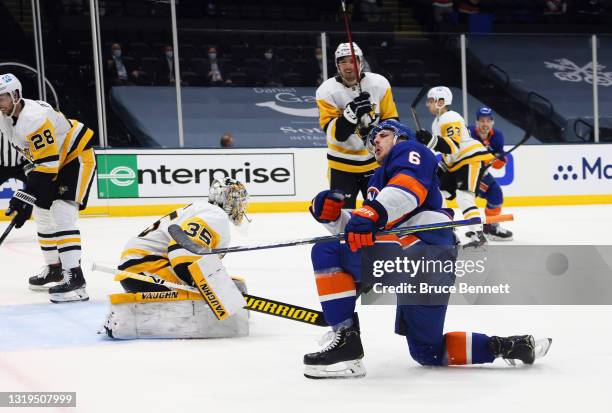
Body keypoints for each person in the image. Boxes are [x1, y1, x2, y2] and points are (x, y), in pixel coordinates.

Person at [304, 119, 551, 379]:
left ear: (401, 137)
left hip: (421, 248)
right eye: (371, 140)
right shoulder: (380, 179)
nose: (374, 141)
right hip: (429, 266)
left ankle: (346, 341)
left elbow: (405, 192)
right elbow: (367, 228)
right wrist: (333, 217)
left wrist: (367, 214)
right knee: (427, 351)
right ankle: (510, 346)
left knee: (327, 252)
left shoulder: (411, 150)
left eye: (383, 135)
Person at [103, 178, 249, 339]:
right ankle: (128, 322)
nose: (240, 207)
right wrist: (202, 287)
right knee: (204, 298)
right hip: (147, 268)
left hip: (140, 265)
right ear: (225, 200)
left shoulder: (201, 209)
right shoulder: (216, 215)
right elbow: (181, 252)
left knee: (224, 287)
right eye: (236, 200)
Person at [0, 73, 96, 303]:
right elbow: (32, 157)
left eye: (1, 97)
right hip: (49, 161)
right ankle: (54, 268)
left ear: (16, 95)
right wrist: (27, 197)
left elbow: (49, 165)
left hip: (75, 157)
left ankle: (75, 280)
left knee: (62, 212)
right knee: (42, 212)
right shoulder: (6, 116)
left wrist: (24, 194)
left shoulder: (34, 118)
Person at [315, 42, 399, 209]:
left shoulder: (379, 84)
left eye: (353, 61)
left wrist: (376, 133)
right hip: (341, 164)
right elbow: (335, 134)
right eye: (343, 61)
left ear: (361, 63)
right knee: (343, 217)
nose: (348, 66)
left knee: (382, 211)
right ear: (337, 65)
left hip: (374, 162)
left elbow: (392, 120)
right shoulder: (326, 91)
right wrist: (351, 113)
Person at [415, 86, 494, 248]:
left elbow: (453, 146)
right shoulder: (437, 121)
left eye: (430, 101)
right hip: (454, 162)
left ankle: (479, 235)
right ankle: (447, 229)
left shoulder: (450, 117)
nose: (427, 105)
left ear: (441, 102)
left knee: (464, 197)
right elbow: (445, 149)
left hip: (469, 159)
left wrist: (430, 140)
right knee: (439, 193)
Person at [468, 107, 513, 240]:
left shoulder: (497, 137)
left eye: (488, 120)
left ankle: (490, 227)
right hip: (464, 172)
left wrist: (501, 160)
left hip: (481, 175)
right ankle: (469, 230)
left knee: (495, 195)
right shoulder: (468, 133)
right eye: (482, 120)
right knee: (466, 200)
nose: (485, 124)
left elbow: (498, 163)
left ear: (492, 122)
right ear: (476, 122)